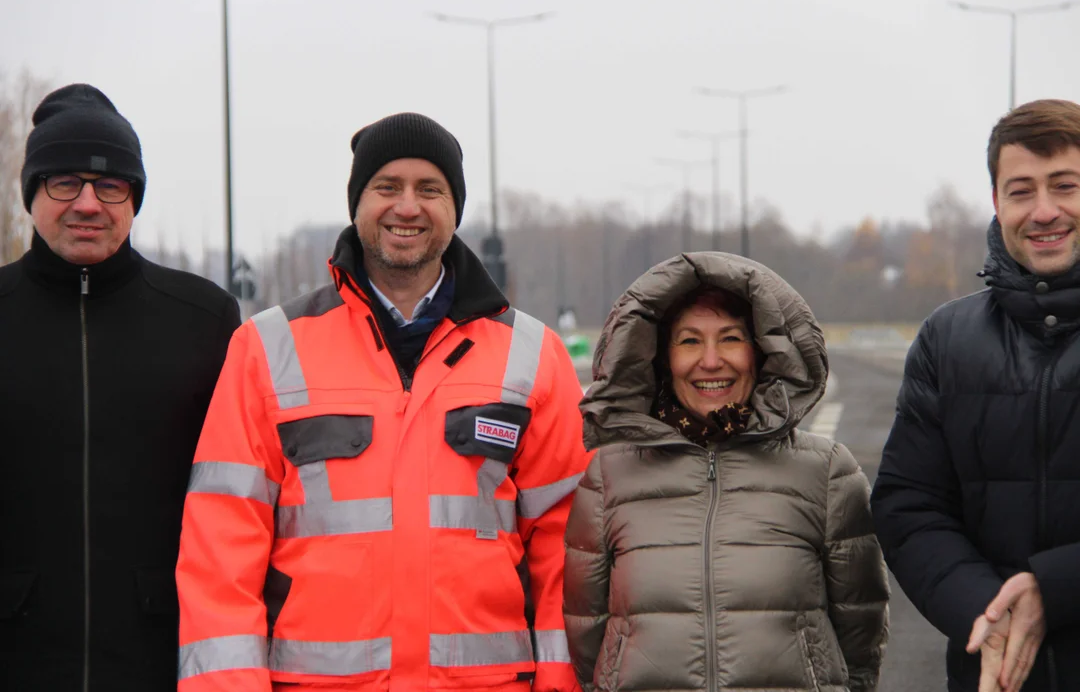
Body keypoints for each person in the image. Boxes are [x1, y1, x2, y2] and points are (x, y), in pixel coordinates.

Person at [176, 112, 588, 691]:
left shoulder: (532, 354)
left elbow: (566, 542)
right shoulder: (267, 348)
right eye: (387, 187)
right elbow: (221, 546)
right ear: (358, 202)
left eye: (430, 189)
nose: (407, 207)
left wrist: (561, 681)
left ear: (454, 209)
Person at [0, 83, 241, 691]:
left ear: (134, 198)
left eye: (110, 185)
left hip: (163, 662)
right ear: (31, 194)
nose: (87, 203)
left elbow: (242, 505)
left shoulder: (205, 319)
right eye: (64, 182)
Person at [563, 252, 889, 692]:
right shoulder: (609, 476)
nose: (711, 361)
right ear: (662, 359)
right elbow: (587, 630)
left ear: (761, 353)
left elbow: (861, 628)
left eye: (731, 338)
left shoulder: (828, 473)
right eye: (690, 341)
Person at [872, 98, 1080, 692]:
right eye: (1021, 191)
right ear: (996, 202)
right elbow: (908, 505)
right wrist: (987, 612)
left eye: (1064, 186)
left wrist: (1056, 589)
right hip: (994, 673)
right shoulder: (948, 338)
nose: (1044, 211)